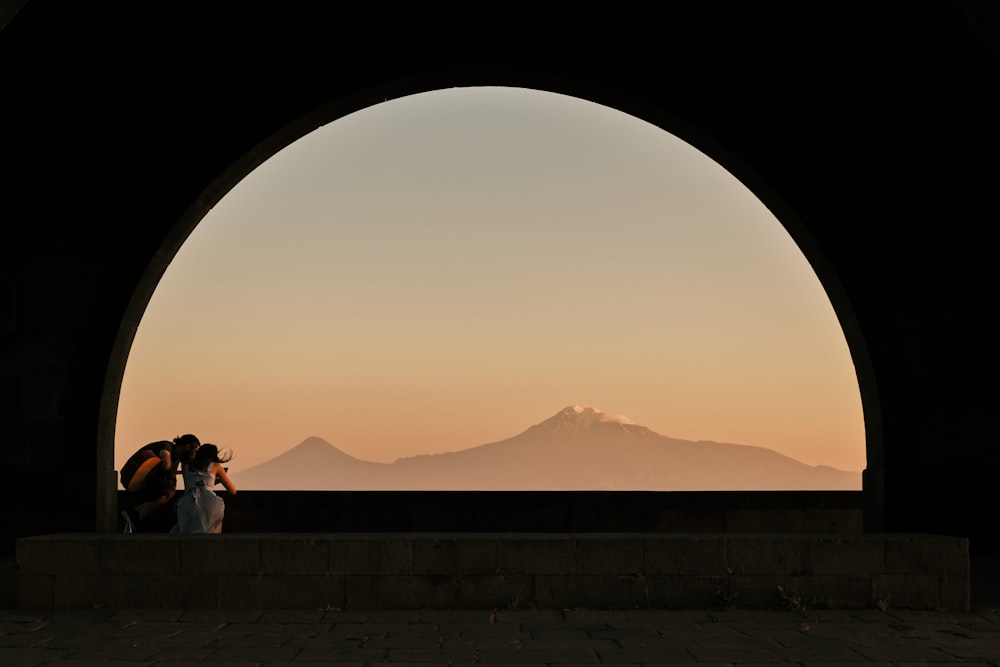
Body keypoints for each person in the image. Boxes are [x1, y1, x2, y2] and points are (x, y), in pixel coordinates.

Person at [119, 434, 201, 531]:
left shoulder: (178, 458)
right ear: (187, 446)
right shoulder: (166, 446)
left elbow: (171, 479)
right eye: (194, 452)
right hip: (134, 478)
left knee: (169, 493)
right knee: (168, 492)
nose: (194, 455)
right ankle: (135, 518)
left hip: (147, 484)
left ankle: (135, 515)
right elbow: (166, 462)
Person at [175, 443, 237, 534]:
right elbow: (233, 491)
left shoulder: (185, 465)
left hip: (188, 501)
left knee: (186, 532)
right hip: (209, 503)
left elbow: (196, 483)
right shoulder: (215, 466)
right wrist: (219, 480)